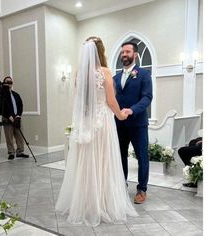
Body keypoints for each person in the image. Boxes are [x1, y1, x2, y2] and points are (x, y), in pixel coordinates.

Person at [55, 36, 138, 226]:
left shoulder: (79, 74)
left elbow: (80, 102)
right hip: (103, 123)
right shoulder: (105, 71)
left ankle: (86, 204)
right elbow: (110, 100)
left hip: (86, 122)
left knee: (87, 163)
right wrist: (120, 115)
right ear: (101, 51)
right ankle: (103, 203)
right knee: (104, 161)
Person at [113, 41, 153, 204]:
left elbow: (147, 97)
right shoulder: (115, 77)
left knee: (142, 157)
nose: (124, 55)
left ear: (135, 54)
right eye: (122, 52)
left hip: (138, 124)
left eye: (127, 52)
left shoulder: (143, 74)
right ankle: (122, 185)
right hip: (119, 124)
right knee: (120, 156)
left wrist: (132, 110)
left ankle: (142, 189)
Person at [0, 76, 29, 160]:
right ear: (4, 83)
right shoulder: (1, 95)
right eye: (7, 82)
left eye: (10, 82)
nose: (9, 84)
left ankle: (20, 152)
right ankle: (11, 152)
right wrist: (9, 116)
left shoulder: (16, 94)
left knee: (19, 135)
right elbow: (1, 107)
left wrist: (18, 115)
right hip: (7, 118)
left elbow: (20, 105)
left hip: (17, 118)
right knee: (9, 136)